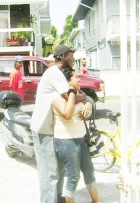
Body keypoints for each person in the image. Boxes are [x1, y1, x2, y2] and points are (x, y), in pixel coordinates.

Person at [30, 45, 90, 203]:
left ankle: (57, 199)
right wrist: (84, 97)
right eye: (71, 55)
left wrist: (82, 98)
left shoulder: (60, 74)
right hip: (43, 129)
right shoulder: (54, 73)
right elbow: (70, 97)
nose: (73, 58)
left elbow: (74, 96)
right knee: (49, 173)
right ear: (63, 56)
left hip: (54, 130)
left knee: (59, 170)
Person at [53, 67, 100, 203]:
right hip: (66, 141)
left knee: (89, 170)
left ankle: (96, 201)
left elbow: (87, 105)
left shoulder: (79, 93)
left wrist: (88, 105)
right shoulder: (57, 96)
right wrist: (80, 100)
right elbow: (67, 114)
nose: (79, 79)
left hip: (81, 138)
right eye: (75, 77)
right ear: (67, 81)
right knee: (73, 176)